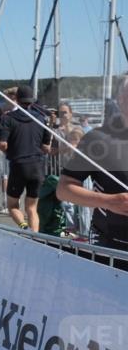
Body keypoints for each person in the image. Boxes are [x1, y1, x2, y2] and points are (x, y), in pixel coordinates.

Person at [58, 74, 128, 257]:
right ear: (121, 99)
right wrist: (109, 201)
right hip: (110, 245)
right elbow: (64, 189)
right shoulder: (97, 139)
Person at [0, 85, 53, 231]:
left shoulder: (7, 118)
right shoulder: (42, 118)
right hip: (37, 167)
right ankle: (35, 237)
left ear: (17, 99)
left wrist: (10, 148)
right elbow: (46, 147)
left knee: (13, 205)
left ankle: (23, 227)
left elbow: (2, 144)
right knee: (32, 208)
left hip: (19, 166)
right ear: (32, 100)